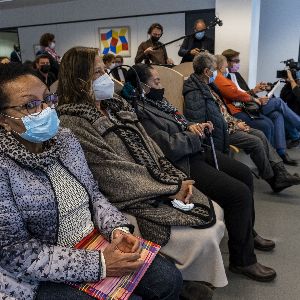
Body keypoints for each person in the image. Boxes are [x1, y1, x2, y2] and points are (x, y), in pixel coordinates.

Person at [0, 63, 183, 300]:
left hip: (93, 241)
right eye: (29, 105)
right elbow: (15, 252)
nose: (45, 110)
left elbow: (94, 195)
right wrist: (100, 264)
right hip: (37, 273)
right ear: (3, 119)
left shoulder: (65, 140)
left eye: (47, 99)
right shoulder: (4, 167)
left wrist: (116, 229)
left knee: (170, 279)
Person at [57, 46, 229, 294]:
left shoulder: (116, 105)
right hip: (127, 196)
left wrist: (175, 178)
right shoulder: (72, 121)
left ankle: (187, 280)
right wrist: (168, 189)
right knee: (201, 234)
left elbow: (150, 146)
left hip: (157, 182)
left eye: (105, 70)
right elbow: (110, 172)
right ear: (78, 79)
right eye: (97, 72)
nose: (106, 77)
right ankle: (180, 282)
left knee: (214, 210)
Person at [122, 62, 277, 282]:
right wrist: (193, 136)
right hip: (182, 163)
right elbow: (166, 148)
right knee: (239, 194)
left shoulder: (158, 103)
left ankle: (246, 234)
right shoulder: (141, 112)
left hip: (194, 150)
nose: (161, 85)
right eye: (156, 81)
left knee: (243, 173)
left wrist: (194, 126)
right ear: (141, 86)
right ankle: (243, 261)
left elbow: (180, 125)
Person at [182, 54, 300, 193]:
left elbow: (222, 113)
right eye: (214, 70)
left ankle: (280, 173)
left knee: (259, 134)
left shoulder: (208, 85)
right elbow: (203, 124)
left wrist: (236, 122)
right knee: (255, 141)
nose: (217, 73)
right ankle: (273, 179)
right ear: (207, 72)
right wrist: (234, 125)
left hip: (227, 125)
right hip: (220, 133)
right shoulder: (194, 92)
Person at [214, 51, 299, 166]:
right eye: (236, 61)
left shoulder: (237, 75)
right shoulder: (222, 78)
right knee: (278, 102)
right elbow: (236, 96)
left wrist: (256, 90)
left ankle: (281, 153)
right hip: (245, 108)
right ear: (226, 63)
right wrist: (256, 99)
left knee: (277, 115)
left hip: (250, 104)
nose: (238, 64)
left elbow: (244, 93)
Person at [280, 69, 300, 147]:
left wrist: (291, 80)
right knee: (280, 113)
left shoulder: (296, 87)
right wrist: (270, 91)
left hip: (297, 117)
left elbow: (298, 95)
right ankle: (294, 136)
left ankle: (296, 138)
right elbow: (280, 101)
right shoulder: (287, 87)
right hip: (291, 116)